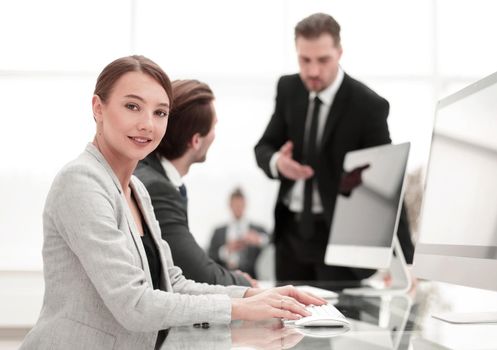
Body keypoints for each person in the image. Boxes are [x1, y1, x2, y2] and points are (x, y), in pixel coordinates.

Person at [20, 55, 326, 350]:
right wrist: (240, 309)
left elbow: (172, 283)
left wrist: (253, 295)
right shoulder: (82, 182)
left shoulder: (137, 189)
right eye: (132, 106)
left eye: (160, 113)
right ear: (98, 108)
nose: (147, 124)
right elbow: (135, 304)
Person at [254, 13, 414, 282]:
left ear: (339, 53)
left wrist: (406, 260)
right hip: (290, 234)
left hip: (339, 240)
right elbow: (264, 147)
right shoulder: (289, 88)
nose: (313, 71)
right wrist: (277, 163)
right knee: (286, 319)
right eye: (305, 60)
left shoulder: (368, 106)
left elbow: (388, 180)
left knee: (341, 322)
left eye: (323, 60)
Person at [134, 80, 256, 287]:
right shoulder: (157, 188)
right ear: (196, 141)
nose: (215, 134)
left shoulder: (152, 174)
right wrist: (245, 283)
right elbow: (195, 272)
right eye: (214, 126)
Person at [208, 187, 269, 278]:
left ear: (245, 205)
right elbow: (210, 256)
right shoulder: (218, 232)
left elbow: (273, 245)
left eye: (240, 205)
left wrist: (258, 240)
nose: (238, 208)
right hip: (226, 278)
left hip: (253, 278)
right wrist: (227, 250)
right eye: (235, 205)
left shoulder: (258, 230)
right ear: (230, 205)